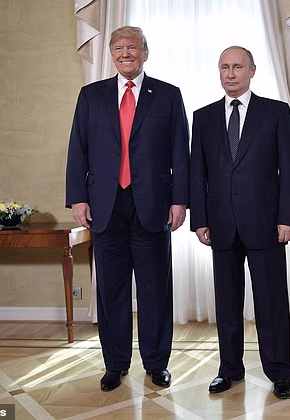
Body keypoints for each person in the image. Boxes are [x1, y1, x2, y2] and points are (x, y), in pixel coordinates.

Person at [66, 26, 190, 392]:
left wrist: (180, 200)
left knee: (155, 290)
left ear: (145, 53)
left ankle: (156, 363)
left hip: (153, 205)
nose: (125, 54)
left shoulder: (168, 95)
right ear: (111, 54)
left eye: (132, 47)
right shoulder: (91, 96)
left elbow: (180, 153)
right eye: (118, 48)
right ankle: (115, 364)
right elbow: (78, 148)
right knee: (112, 290)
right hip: (105, 206)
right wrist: (78, 197)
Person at [189, 46, 290, 399]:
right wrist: (199, 219)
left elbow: (289, 170)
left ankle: (279, 372)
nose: (231, 73)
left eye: (238, 66)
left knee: (272, 302)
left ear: (252, 70)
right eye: (224, 67)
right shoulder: (203, 117)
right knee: (226, 303)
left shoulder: (276, 112)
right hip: (221, 224)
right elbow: (197, 173)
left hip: (266, 223)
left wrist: (287, 218)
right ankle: (230, 369)